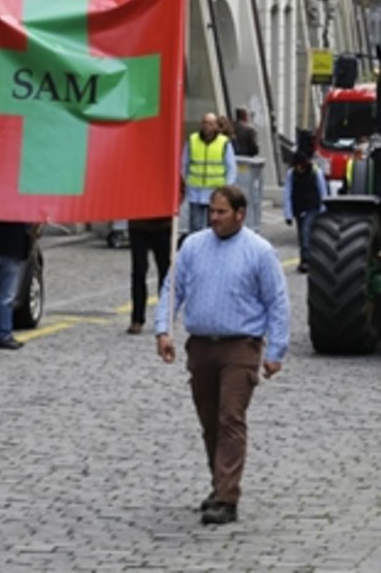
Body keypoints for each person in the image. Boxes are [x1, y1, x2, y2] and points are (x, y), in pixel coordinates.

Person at [154, 185, 289, 526]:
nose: (213, 218)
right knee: (210, 420)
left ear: (240, 214)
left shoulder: (259, 251)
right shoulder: (194, 246)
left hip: (240, 346)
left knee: (230, 417)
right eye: (211, 212)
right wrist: (163, 330)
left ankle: (227, 497)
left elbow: (277, 301)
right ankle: (219, 485)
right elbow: (173, 288)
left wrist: (276, 351)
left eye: (221, 212)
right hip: (200, 346)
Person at [182, 113, 235, 232]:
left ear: (216, 126)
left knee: (213, 226)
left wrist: (227, 188)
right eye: (205, 123)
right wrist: (186, 182)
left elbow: (230, 167)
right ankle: (196, 250)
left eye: (211, 124)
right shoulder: (192, 140)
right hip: (195, 192)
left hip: (215, 192)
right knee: (195, 227)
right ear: (201, 124)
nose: (207, 127)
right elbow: (185, 163)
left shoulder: (224, 142)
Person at [0, 221, 37, 350]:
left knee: (1, 293)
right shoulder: (17, 211)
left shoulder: (3, 208)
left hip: (0, 249)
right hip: (11, 252)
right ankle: (3, 334)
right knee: (7, 296)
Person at [283, 151, 328, 273]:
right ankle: (306, 258)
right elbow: (287, 192)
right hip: (299, 207)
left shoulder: (315, 172)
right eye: (296, 166)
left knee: (305, 231)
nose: (298, 169)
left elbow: (322, 190)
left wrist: (325, 209)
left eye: (301, 166)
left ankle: (306, 260)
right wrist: (288, 214)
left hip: (312, 207)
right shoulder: (291, 174)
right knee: (302, 236)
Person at [128, 217, 173, 334]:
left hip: (163, 224)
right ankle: (137, 319)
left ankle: (164, 317)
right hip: (138, 223)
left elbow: (179, 198)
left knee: (165, 272)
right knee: (139, 271)